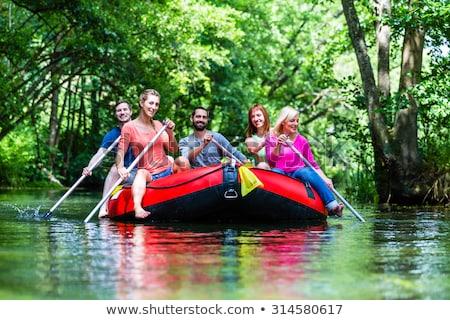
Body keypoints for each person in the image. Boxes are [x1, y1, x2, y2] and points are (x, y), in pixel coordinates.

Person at [116, 89, 189, 219]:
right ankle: (137, 208)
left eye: (156, 104)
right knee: (141, 172)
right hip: (150, 175)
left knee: (182, 161)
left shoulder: (158, 124)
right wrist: (120, 167)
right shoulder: (129, 127)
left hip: (167, 169)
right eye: (151, 103)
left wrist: (170, 132)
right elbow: (121, 151)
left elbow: (173, 149)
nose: (153, 107)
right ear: (141, 103)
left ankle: (186, 197)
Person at [265, 106, 344, 217]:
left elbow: (312, 164)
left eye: (297, 121)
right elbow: (271, 161)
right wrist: (278, 145)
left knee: (305, 171)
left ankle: (333, 206)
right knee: (275, 172)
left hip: (297, 174)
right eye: (292, 120)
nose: (296, 124)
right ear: (283, 122)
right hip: (281, 172)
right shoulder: (271, 138)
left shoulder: (302, 140)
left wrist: (325, 178)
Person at [82, 100, 136, 218]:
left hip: (142, 171)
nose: (122, 113)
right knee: (114, 169)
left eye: (125, 109)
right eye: (119, 110)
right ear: (116, 114)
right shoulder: (112, 134)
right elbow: (100, 154)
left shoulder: (140, 127)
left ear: (131, 112)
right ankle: (103, 207)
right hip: (126, 173)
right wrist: (89, 167)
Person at [179, 107, 248, 168]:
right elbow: (185, 158)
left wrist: (246, 162)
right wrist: (203, 145)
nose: (201, 119)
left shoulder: (217, 137)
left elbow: (234, 153)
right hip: (195, 179)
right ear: (192, 118)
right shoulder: (185, 141)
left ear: (207, 120)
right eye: (198, 116)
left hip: (215, 178)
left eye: (204, 117)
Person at [244, 104, 272, 169]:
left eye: (258, 115)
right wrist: (267, 139)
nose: (256, 119)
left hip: (280, 170)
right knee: (262, 165)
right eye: (252, 117)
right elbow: (253, 149)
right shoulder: (250, 139)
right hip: (263, 171)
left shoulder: (275, 132)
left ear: (265, 116)